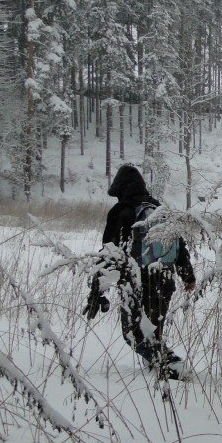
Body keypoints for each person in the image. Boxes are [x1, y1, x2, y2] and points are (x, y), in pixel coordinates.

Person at [85, 162, 196, 380]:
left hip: (137, 280)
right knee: (153, 332)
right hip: (165, 279)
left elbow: (110, 251)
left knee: (133, 334)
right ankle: (159, 374)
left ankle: (174, 368)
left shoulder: (122, 211)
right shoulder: (160, 210)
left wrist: (97, 288)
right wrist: (188, 277)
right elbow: (179, 245)